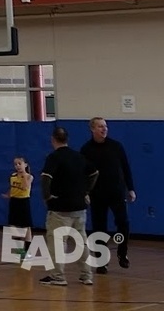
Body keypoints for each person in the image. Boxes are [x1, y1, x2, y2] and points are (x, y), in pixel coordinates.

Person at [40, 126, 99, 287]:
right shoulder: (79, 156)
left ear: (53, 139)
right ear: (67, 139)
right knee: (81, 242)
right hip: (79, 207)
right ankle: (86, 275)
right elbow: (94, 173)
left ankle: (58, 276)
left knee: (58, 242)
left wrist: (47, 197)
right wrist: (86, 191)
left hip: (60, 208)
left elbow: (46, 178)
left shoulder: (53, 157)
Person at [80, 116, 136, 271]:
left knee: (123, 223)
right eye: (100, 126)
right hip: (97, 194)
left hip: (116, 192)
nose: (104, 129)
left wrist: (130, 188)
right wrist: (84, 192)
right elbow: (83, 173)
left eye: (105, 126)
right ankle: (101, 261)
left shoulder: (116, 146)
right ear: (92, 129)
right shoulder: (86, 150)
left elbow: (125, 168)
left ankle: (122, 253)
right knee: (99, 228)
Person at [0, 156, 34, 260]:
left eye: (20, 163)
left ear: (25, 165)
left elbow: (25, 187)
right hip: (14, 202)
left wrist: (23, 175)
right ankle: (20, 251)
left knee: (26, 227)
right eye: (16, 164)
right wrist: (8, 195)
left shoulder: (29, 176)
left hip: (23, 202)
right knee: (14, 227)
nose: (18, 166)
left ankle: (27, 252)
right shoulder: (12, 176)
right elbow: (12, 187)